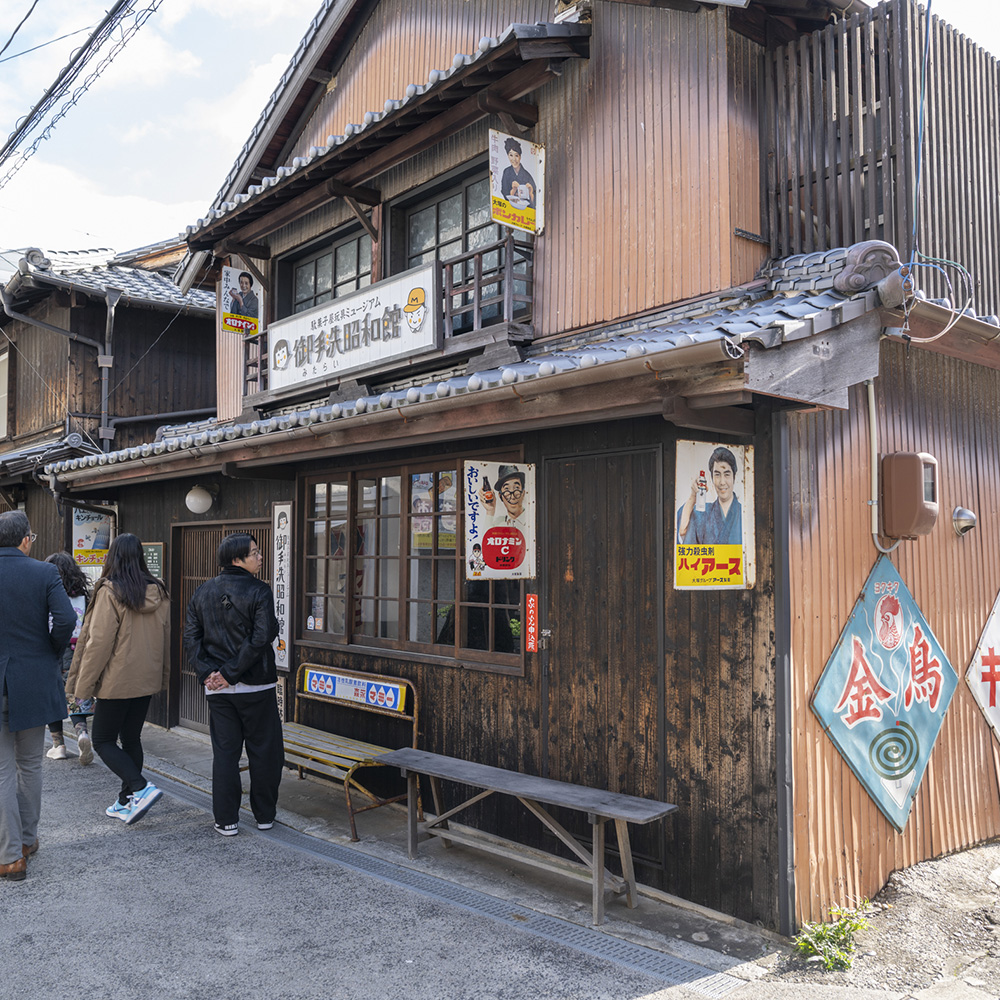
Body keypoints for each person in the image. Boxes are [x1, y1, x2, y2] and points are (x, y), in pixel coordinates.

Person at [65, 533, 170, 825]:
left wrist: (82, 687)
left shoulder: (110, 592)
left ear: (113, 557)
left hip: (115, 681)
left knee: (103, 740)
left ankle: (140, 788)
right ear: (140, 557)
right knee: (131, 737)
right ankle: (126, 800)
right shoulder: (158, 591)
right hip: (145, 678)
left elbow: (98, 643)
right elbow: (165, 637)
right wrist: (161, 676)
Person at [183, 532, 281, 837]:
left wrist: (210, 674)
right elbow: (261, 637)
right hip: (255, 686)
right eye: (254, 553)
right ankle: (264, 815)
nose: (260, 556)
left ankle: (226, 820)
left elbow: (190, 638)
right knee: (264, 752)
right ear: (237, 559)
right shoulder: (259, 591)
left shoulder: (202, 592)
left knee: (225, 754)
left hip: (218, 690)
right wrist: (230, 673)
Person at [0, 511, 75, 881]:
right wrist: (49, 652)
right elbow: (66, 620)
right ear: (25, 540)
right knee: (29, 764)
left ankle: (10, 856)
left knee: (0, 771)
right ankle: (27, 840)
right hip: (33, 679)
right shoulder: (44, 573)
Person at [43, 552, 94, 764]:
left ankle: (59, 745)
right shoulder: (85, 597)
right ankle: (82, 733)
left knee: (52, 696)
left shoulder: (47, 595)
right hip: (79, 651)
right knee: (75, 696)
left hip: (52, 649)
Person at [677, 446, 743, 545]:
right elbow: (682, 530)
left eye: (727, 474)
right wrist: (693, 497)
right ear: (711, 478)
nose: (722, 482)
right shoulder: (703, 512)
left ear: (734, 476)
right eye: (717, 474)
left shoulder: (743, 512)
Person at [478, 465, 529, 529]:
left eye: (516, 488)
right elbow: (486, 538)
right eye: (506, 489)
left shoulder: (530, 519)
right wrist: (490, 511)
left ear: (523, 493)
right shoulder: (498, 523)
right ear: (500, 496)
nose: (512, 496)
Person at [500, 137, 537, 208]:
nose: (514, 159)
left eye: (516, 155)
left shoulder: (527, 175)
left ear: (520, 157)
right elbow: (504, 192)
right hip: (510, 211)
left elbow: (535, 200)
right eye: (511, 155)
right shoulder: (506, 172)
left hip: (525, 212)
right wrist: (513, 190)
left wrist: (530, 192)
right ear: (508, 156)